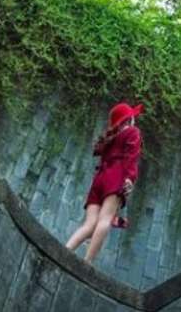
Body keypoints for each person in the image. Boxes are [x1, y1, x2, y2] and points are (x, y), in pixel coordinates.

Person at [65, 101, 143, 263]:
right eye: (133, 117)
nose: (135, 120)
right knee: (104, 220)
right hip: (116, 176)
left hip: (99, 179)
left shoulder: (110, 138)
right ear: (128, 120)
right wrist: (129, 178)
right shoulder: (133, 132)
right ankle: (87, 263)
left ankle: (65, 251)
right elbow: (131, 157)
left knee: (89, 224)